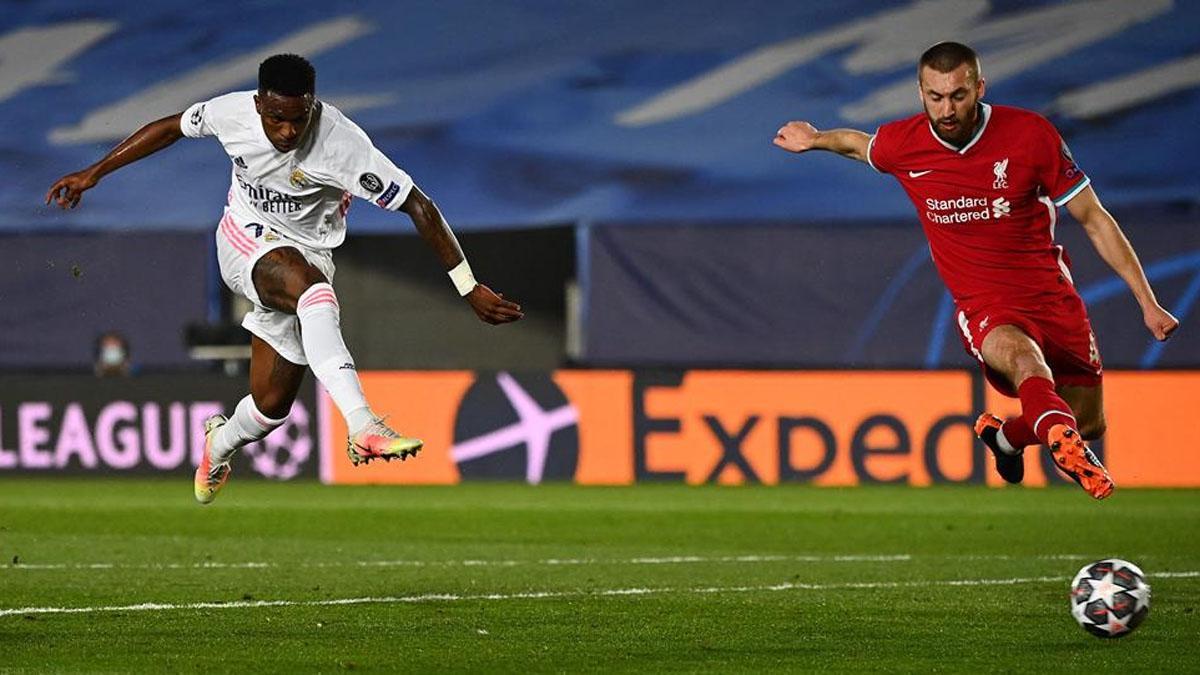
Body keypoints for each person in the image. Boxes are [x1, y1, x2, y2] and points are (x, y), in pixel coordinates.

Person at [47, 54, 524, 504]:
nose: (287, 130)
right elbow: (170, 127)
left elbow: (419, 205)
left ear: (313, 106)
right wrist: (94, 172)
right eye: (276, 118)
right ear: (259, 104)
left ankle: (220, 443)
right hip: (244, 238)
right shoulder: (232, 113)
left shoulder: (343, 144)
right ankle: (362, 424)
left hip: (311, 253)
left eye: (298, 118)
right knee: (315, 292)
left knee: (271, 406)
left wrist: (468, 285)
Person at [773, 41, 1178, 499]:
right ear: (921, 92)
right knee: (1027, 362)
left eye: (958, 95)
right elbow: (858, 144)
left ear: (979, 87)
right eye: (935, 97)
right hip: (985, 307)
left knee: (1087, 422)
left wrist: (1148, 303)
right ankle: (1062, 450)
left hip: (1050, 296)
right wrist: (816, 138)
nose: (946, 109)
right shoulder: (905, 143)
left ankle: (1005, 439)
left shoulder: (1030, 135)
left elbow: (1093, 217)